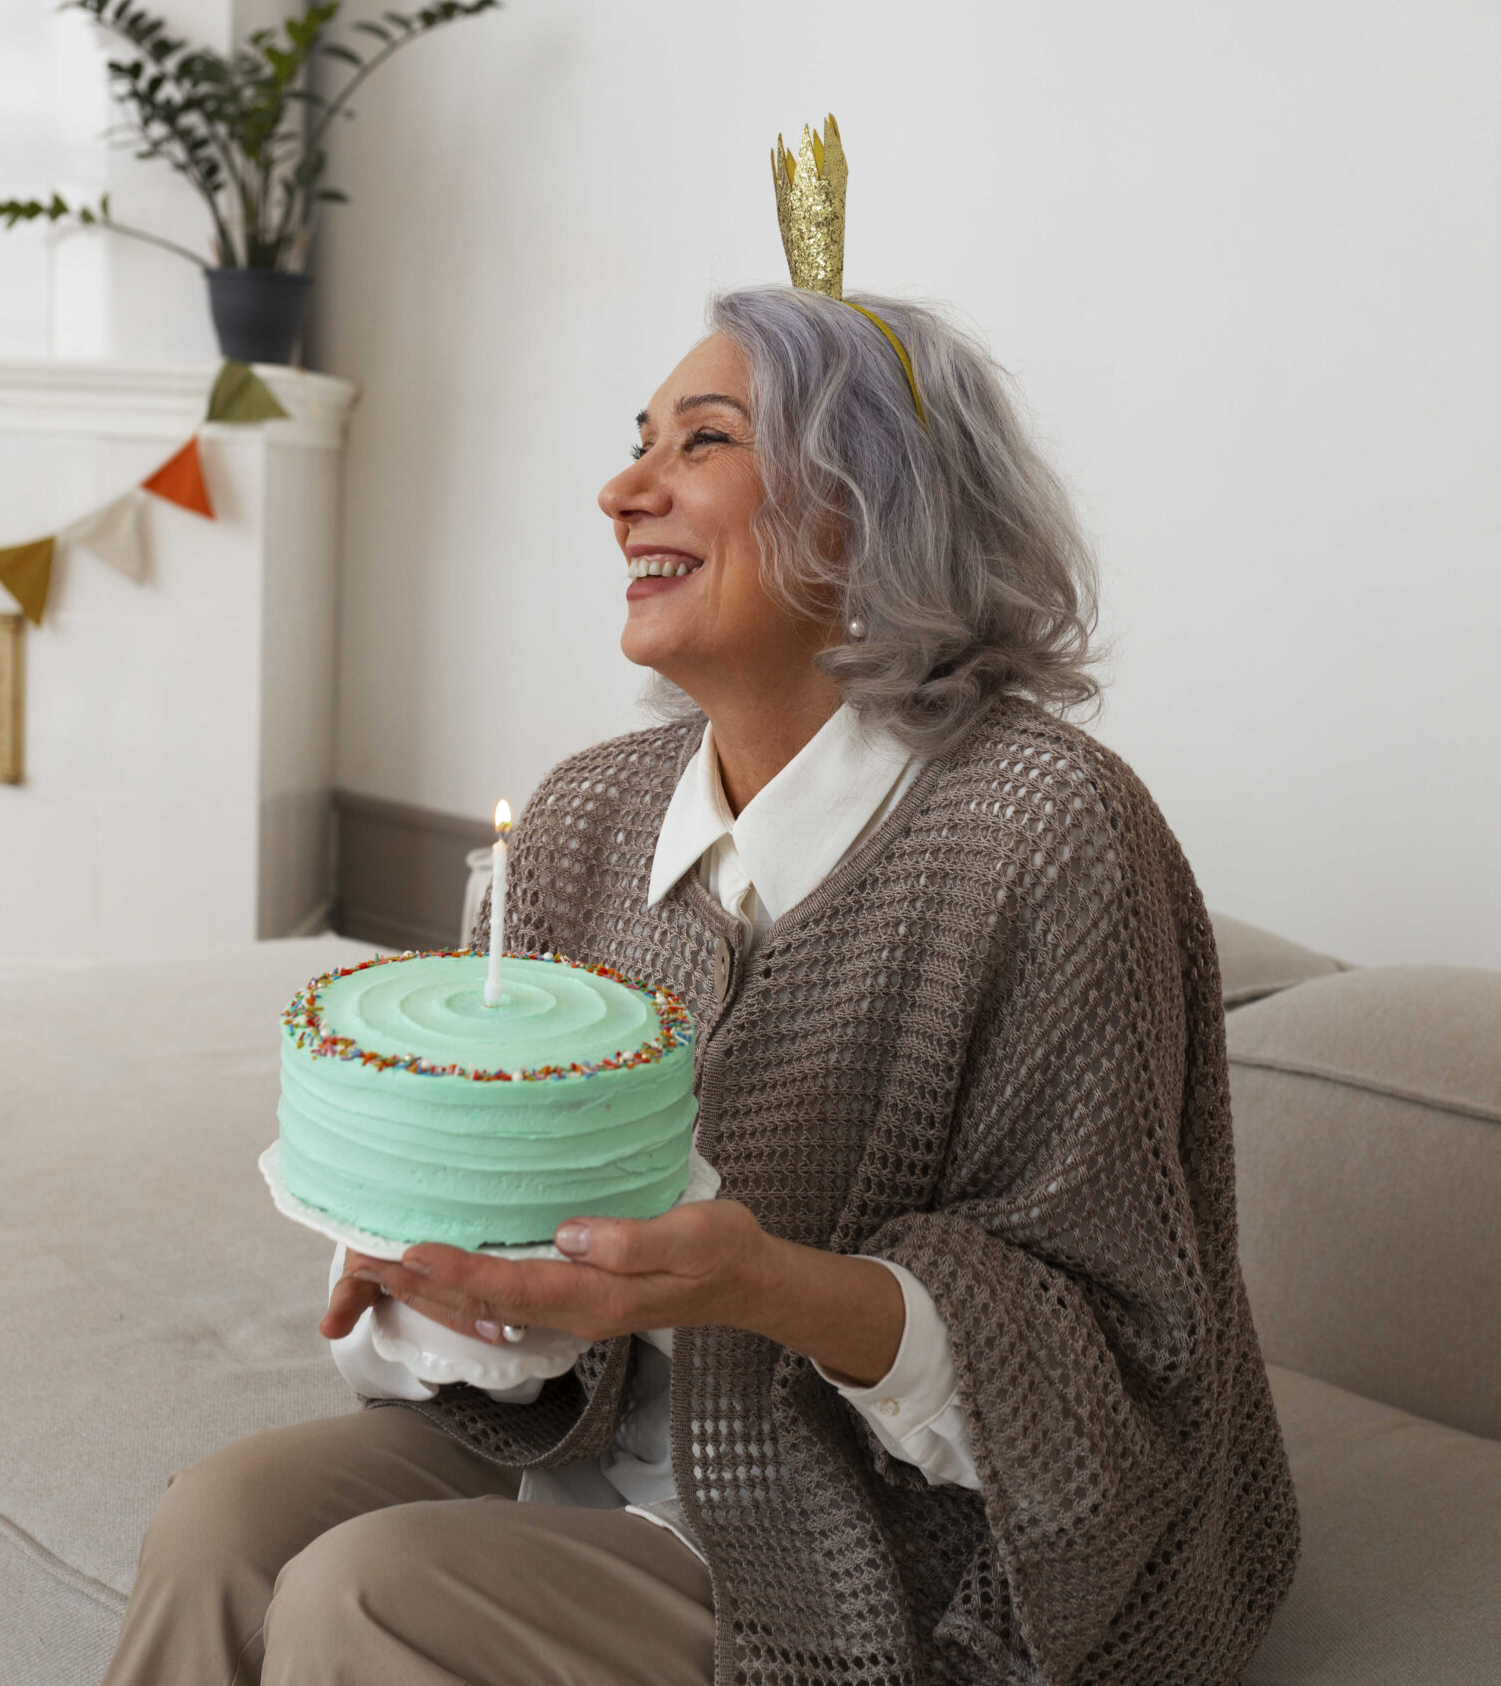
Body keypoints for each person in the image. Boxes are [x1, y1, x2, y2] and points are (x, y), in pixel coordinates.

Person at [104, 147, 1297, 1683]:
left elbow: (1118, 1349)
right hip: (607, 1451)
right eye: (634, 443)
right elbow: (545, 1297)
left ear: (866, 516)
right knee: (224, 1522)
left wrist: (764, 1285)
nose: (621, 489)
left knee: (372, 1590)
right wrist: (451, 1297)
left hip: (884, 1541)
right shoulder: (593, 809)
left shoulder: (1049, 831)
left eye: (703, 443)